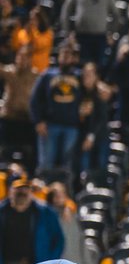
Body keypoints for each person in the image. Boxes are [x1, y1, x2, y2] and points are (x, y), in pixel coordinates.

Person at [0, 177, 64, 264]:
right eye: (18, 189)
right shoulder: (2, 211)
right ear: (10, 191)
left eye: (25, 189)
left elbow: (58, 240)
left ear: (31, 192)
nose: (22, 193)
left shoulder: (45, 212)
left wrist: (49, 263)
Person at [30, 42, 83, 172]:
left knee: (67, 166)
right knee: (46, 164)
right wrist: (38, 121)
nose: (65, 57)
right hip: (50, 125)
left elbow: (91, 94)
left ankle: (65, 191)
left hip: (71, 126)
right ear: (58, 56)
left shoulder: (80, 76)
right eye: (63, 54)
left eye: (68, 55)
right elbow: (34, 100)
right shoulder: (47, 75)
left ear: (73, 58)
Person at [59, 0, 121, 66]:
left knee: (99, 65)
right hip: (82, 36)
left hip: (100, 37)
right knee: (82, 64)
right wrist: (68, 33)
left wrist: (112, 33)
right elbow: (66, 11)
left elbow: (116, 14)